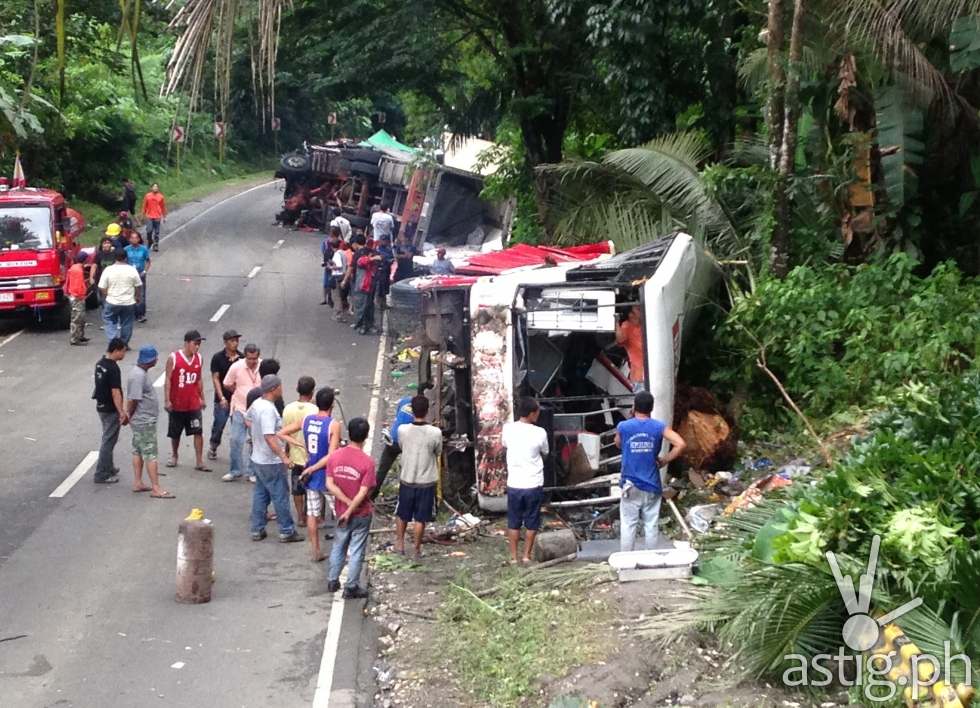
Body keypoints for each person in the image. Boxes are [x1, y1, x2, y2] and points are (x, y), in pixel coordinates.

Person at [615, 390, 686, 553]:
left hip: (630, 484)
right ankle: (651, 560)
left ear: (634, 407)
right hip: (652, 483)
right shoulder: (659, 427)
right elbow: (681, 444)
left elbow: (618, 443)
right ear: (651, 408)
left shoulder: (624, 426)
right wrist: (664, 460)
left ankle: (626, 560)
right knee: (651, 524)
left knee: (628, 524)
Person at [284, 386, 342, 562]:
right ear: (332, 404)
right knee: (340, 512)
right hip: (327, 474)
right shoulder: (333, 424)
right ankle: (343, 551)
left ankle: (315, 550)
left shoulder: (307, 420)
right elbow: (331, 455)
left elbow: (282, 433)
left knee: (312, 513)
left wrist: (299, 445)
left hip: (311, 475)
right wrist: (315, 467)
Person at [324, 416, 376, 599]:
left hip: (340, 512)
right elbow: (363, 493)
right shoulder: (367, 462)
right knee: (356, 550)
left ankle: (332, 579)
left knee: (339, 545)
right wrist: (351, 507)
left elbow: (329, 484)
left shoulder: (335, 456)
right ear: (366, 436)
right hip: (360, 513)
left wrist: (344, 505)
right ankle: (351, 586)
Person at [247, 374, 303, 543]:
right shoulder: (268, 410)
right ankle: (286, 530)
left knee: (261, 493)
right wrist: (283, 456)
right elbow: (270, 437)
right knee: (280, 495)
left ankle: (257, 528)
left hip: (257, 457)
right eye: (280, 386)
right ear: (273, 389)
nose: (282, 388)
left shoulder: (257, 404)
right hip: (270, 461)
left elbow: (248, 419)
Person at [393, 395, 442, 559]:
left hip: (407, 478)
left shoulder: (402, 430)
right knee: (421, 518)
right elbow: (438, 452)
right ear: (427, 411)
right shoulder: (435, 433)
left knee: (402, 513)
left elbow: (401, 446)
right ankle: (416, 548)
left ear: (411, 410)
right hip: (426, 481)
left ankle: (399, 544)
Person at [502, 397, 549, 564]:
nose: (538, 414)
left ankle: (513, 557)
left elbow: (505, 445)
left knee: (514, 522)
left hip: (514, 483)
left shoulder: (508, 429)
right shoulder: (540, 432)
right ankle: (526, 556)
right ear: (531, 413)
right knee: (532, 522)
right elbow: (545, 452)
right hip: (533, 483)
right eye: (537, 412)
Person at [126, 345, 173, 498]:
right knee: (150, 454)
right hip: (144, 420)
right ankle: (156, 487)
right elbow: (133, 399)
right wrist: (128, 415)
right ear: (150, 360)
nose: (157, 360)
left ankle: (138, 482)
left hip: (141, 419)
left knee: (138, 450)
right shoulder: (138, 376)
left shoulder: (140, 373)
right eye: (155, 358)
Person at [164, 330, 210, 471]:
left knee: (198, 431)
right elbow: (168, 380)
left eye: (199, 344)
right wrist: (167, 400)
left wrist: (202, 397)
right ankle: (174, 455)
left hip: (193, 403)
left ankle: (199, 460)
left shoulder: (199, 358)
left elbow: (199, 378)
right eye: (195, 344)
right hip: (178, 402)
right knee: (175, 432)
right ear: (187, 343)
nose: (197, 347)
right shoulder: (174, 358)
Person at [279, 377, 319, 533]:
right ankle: (313, 515)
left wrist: (288, 452)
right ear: (312, 391)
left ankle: (300, 516)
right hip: (311, 457)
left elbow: (286, 432)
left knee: (297, 488)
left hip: (295, 455)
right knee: (313, 487)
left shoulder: (288, 408)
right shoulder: (315, 410)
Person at [222, 343, 261, 481]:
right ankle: (235, 470)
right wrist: (238, 392)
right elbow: (227, 383)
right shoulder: (236, 366)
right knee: (235, 439)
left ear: (258, 357)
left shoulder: (263, 367)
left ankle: (252, 471)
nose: (252, 361)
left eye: (254, 359)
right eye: (249, 358)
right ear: (245, 357)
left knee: (255, 441)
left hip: (257, 411)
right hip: (239, 408)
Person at [92, 338, 128, 484]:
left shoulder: (100, 364)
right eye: (123, 351)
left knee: (109, 437)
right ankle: (101, 473)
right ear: (116, 350)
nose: (124, 355)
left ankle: (109, 466)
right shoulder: (113, 368)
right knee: (108, 440)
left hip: (101, 406)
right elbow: (115, 392)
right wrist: (121, 411)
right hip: (110, 408)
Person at [208, 329, 241, 461]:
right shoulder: (218, 358)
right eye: (232, 341)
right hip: (223, 398)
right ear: (225, 343)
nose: (235, 343)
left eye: (236, 341)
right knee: (219, 424)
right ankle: (213, 446)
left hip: (237, 399)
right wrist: (221, 397)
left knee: (237, 428)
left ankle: (236, 452)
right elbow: (216, 378)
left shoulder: (242, 358)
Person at [373, 394, 414, 500]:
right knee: (409, 471)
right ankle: (405, 497)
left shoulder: (404, 400)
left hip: (392, 438)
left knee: (382, 469)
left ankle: (372, 495)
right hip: (406, 441)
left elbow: (398, 418)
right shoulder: (422, 408)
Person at [98, 249, 141, 346]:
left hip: (112, 301)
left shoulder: (108, 270)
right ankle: (124, 343)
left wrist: (107, 294)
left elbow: (101, 287)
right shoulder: (132, 270)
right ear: (126, 258)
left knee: (109, 320)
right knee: (127, 322)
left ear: (114, 258)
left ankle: (114, 342)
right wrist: (137, 296)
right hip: (128, 302)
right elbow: (138, 285)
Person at [351, 236, 382, 335]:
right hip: (364, 285)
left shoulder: (361, 254)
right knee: (364, 305)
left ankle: (364, 325)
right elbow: (362, 262)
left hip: (365, 285)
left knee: (364, 305)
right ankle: (363, 324)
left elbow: (380, 260)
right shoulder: (364, 257)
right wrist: (372, 258)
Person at [65, 252, 92, 346]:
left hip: (75, 295)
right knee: (77, 318)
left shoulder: (74, 268)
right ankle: (74, 339)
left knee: (81, 318)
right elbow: (78, 285)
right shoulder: (78, 270)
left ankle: (80, 336)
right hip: (77, 297)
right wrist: (81, 295)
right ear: (85, 260)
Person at [616, 305, 645, 391]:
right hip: (639, 377)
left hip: (652, 373)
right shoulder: (626, 326)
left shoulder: (644, 324)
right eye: (637, 309)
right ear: (630, 314)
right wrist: (616, 322)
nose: (641, 310)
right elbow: (620, 339)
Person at [124, 231, 151, 323]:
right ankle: (132, 313)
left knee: (141, 294)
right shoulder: (126, 249)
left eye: (136, 238)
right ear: (129, 239)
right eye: (132, 238)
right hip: (129, 275)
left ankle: (141, 314)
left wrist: (144, 271)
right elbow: (123, 261)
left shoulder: (144, 249)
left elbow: (148, 261)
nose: (134, 239)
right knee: (130, 293)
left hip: (140, 274)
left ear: (139, 239)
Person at [142, 183, 167, 252]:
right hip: (149, 215)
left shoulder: (161, 196)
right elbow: (144, 205)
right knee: (149, 230)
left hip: (157, 216)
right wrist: (143, 215)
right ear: (151, 188)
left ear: (158, 188)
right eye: (154, 187)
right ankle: (150, 241)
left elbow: (163, 207)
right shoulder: (147, 196)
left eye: (156, 187)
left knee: (157, 232)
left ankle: (156, 245)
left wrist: (164, 217)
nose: (155, 188)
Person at [333, 238, 352, 320]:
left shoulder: (337, 254)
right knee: (343, 296)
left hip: (339, 275)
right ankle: (344, 312)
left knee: (338, 296)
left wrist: (331, 267)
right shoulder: (343, 253)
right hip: (344, 275)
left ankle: (338, 315)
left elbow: (339, 265)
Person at [320, 228, 340, 306]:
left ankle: (329, 298)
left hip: (335, 265)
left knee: (332, 283)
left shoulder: (339, 243)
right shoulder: (326, 242)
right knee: (326, 282)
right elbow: (323, 252)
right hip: (329, 264)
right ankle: (325, 298)